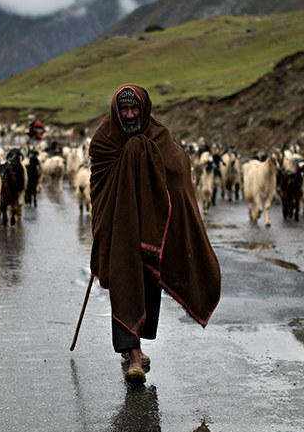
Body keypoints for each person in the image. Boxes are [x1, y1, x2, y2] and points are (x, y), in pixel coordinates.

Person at [89, 83, 221, 385]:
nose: (131, 114)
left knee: (148, 284)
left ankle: (136, 346)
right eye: (124, 109)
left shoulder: (158, 135)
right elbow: (99, 181)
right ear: (116, 110)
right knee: (124, 281)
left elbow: (178, 170)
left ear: (144, 108)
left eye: (135, 108)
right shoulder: (105, 138)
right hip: (119, 225)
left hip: (149, 229)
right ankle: (133, 355)